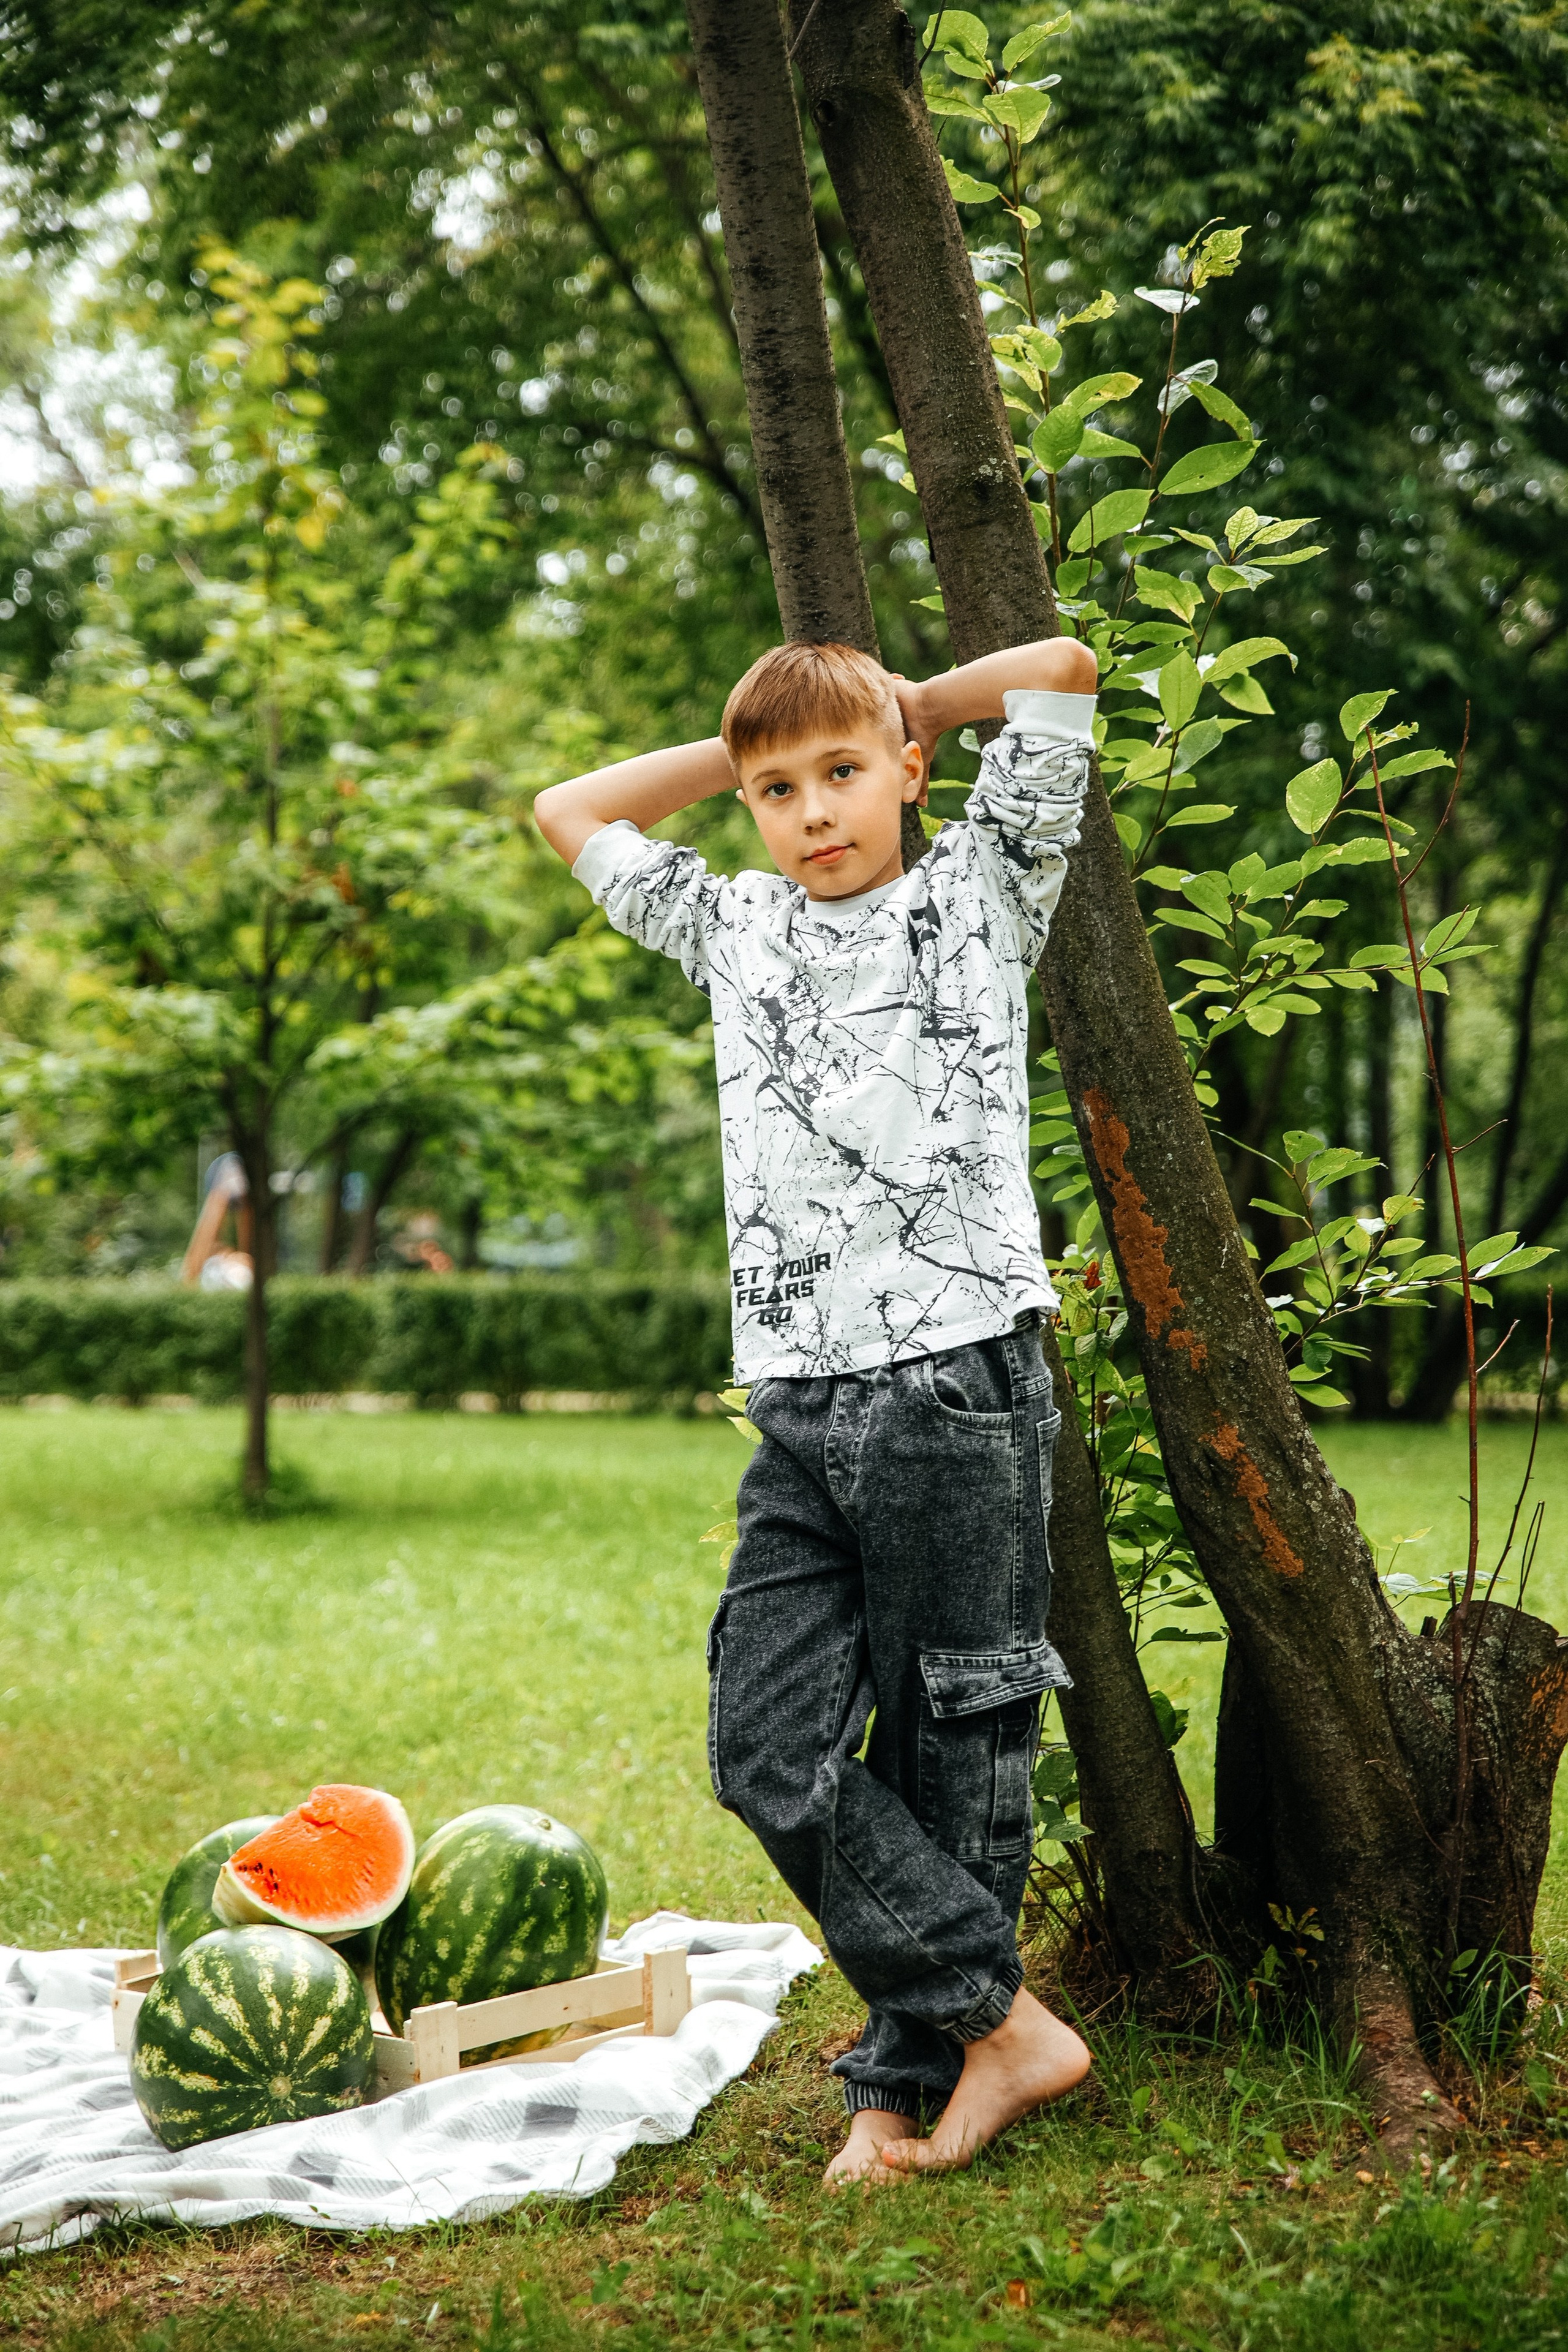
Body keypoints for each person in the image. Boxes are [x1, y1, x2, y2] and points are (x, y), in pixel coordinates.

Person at [535, 633, 1098, 2185]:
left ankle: (898, 2093)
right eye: (775, 791)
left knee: (951, 1736)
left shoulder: (982, 889)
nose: (809, 812)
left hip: (953, 1375)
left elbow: (1058, 664)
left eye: (840, 775)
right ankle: (998, 2019)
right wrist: (750, 745)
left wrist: (891, 703)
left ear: (912, 772)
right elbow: (568, 806)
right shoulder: (733, 928)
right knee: (761, 1742)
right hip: (797, 1400)